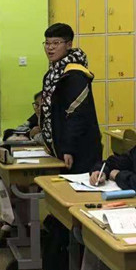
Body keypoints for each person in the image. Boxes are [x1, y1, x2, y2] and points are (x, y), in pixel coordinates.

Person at [39, 23, 101, 173]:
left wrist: (68, 148)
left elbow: (78, 115)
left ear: (68, 44)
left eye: (56, 43)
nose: (50, 48)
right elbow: (49, 106)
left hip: (78, 148)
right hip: (59, 143)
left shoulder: (75, 75)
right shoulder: (53, 73)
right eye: (47, 43)